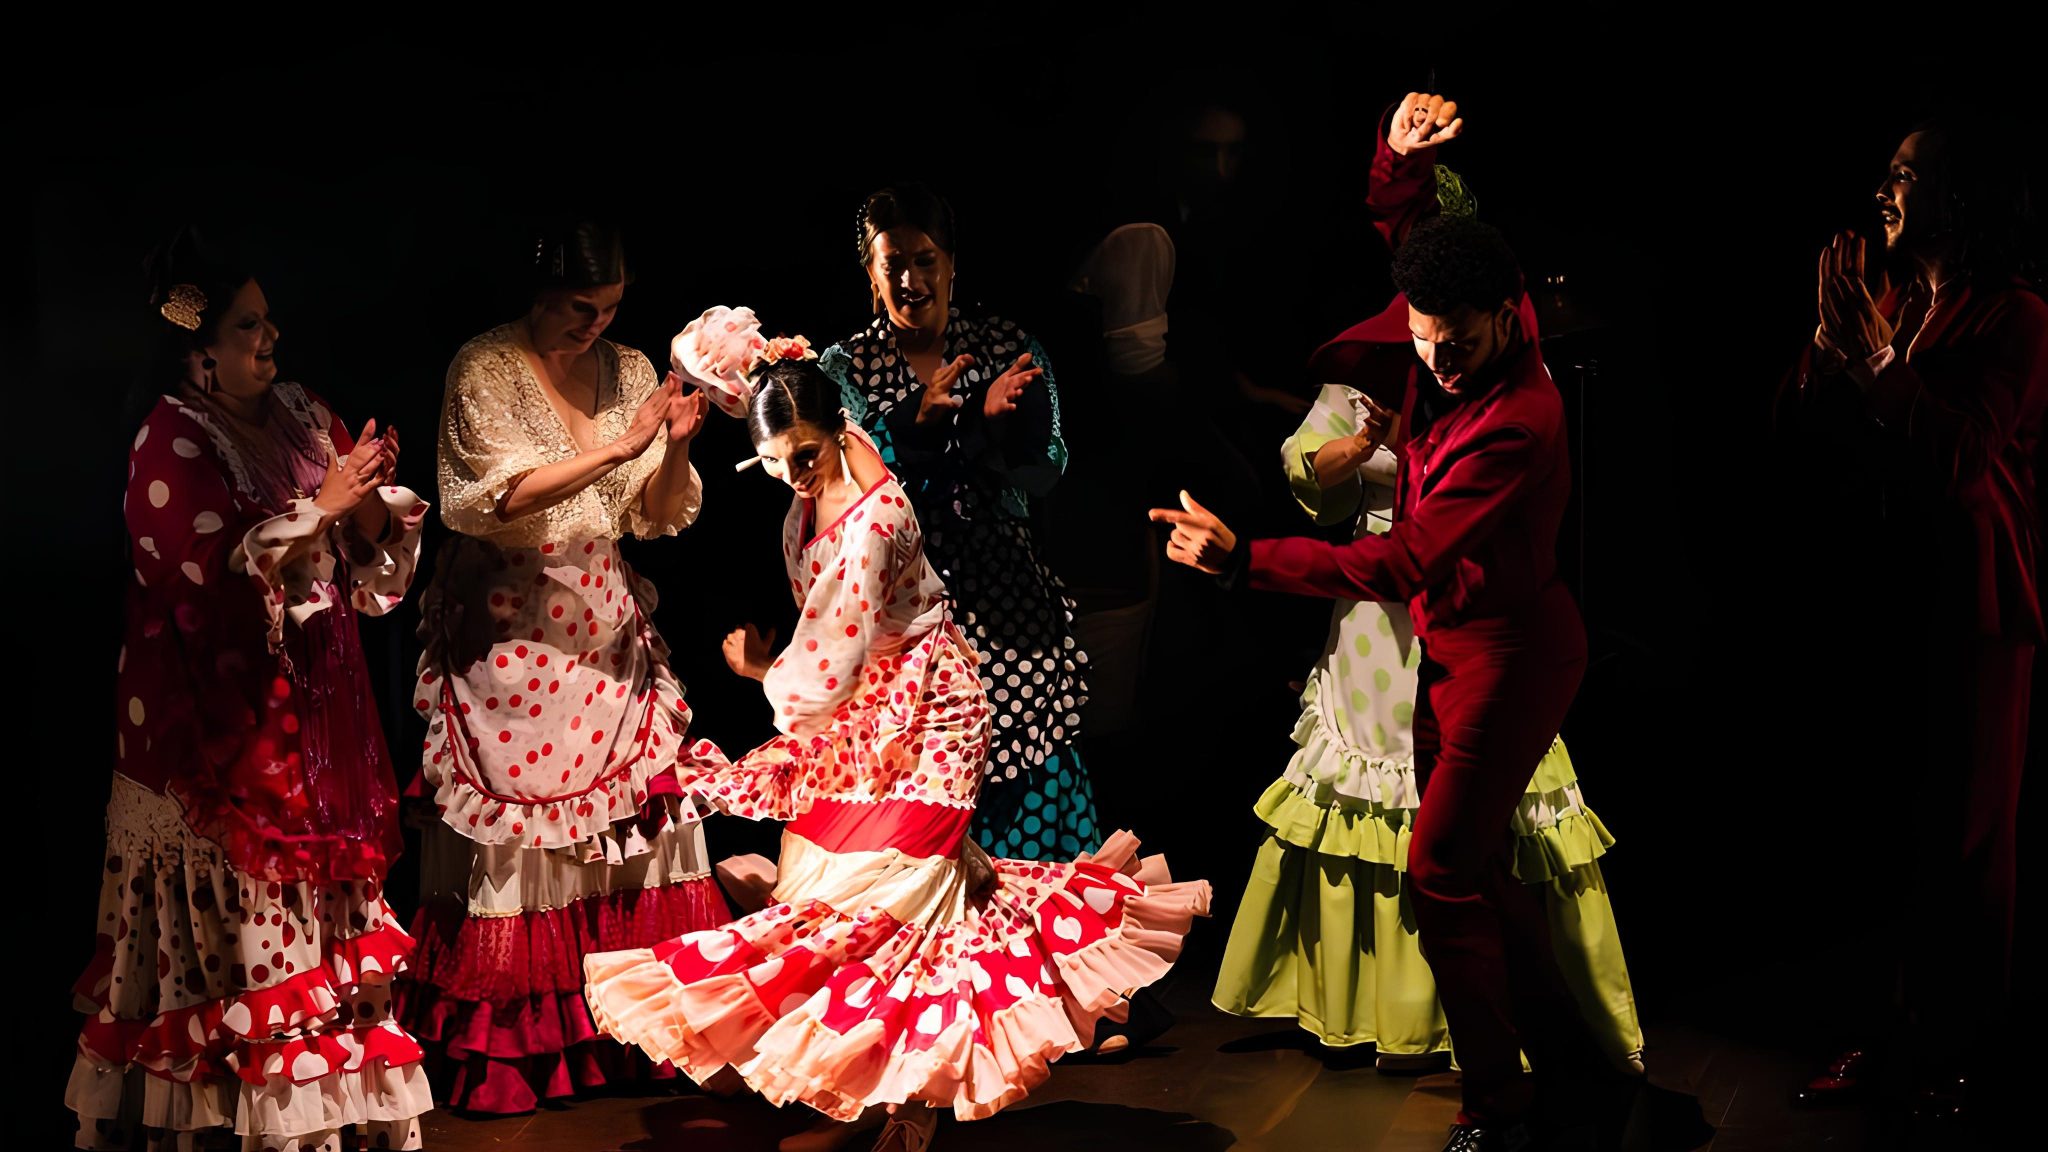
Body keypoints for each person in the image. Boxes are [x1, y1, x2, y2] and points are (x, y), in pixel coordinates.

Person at [584, 333, 1211, 1152]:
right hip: (872, 714)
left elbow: (828, 664)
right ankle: (884, 1084)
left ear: (836, 430)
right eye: (772, 462)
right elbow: (755, 376)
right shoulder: (830, 454)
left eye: (802, 456)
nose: (791, 475)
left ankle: (903, 1101)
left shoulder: (871, 524)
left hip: (929, 720)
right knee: (843, 886)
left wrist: (760, 669)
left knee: (886, 905)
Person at [1152, 93, 1632, 1151]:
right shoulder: (1456, 318)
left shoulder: (1516, 422)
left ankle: (1497, 1103)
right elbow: (1410, 229)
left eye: (1455, 345)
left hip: (1510, 656)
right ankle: (1572, 1067)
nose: (1436, 364)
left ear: (1507, 314)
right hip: (1445, 654)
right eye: (1422, 341)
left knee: (1440, 868)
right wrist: (1395, 155)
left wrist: (1246, 561)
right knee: (1476, 869)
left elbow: (1404, 559)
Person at [68, 228, 432, 1151]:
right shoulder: (171, 436)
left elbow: (361, 553)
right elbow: (199, 571)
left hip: (317, 703)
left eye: (269, 322)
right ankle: (238, 1110)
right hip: (217, 719)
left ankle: (323, 1105)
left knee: (320, 888)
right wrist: (323, 509)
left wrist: (364, 505)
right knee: (240, 908)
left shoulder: (304, 413)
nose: (270, 339)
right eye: (247, 326)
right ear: (197, 351)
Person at [1210, 372, 1644, 1077]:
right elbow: (1310, 476)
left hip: (1470, 608)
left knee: (1475, 817)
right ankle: (1382, 1012)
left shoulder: (1506, 395)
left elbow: (1456, 522)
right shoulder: (1361, 378)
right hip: (1371, 623)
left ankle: (1524, 1025)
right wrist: (1360, 446)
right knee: (1369, 805)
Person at [399, 220, 730, 1114]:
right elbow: (498, 497)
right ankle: (524, 1055)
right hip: (509, 632)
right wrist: (620, 447)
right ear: (540, 291)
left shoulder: (630, 370)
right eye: (583, 306)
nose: (597, 323)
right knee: (521, 840)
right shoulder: (485, 367)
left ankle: (635, 1037)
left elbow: (655, 513)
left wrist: (676, 444)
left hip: (602, 625)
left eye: (612, 307)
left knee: (630, 830)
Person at [1779, 116, 2043, 1129]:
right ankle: (1878, 1036)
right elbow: (1791, 431)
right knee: (1879, 825)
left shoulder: (2016, 316)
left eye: (1905, 175)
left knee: (1967, 841)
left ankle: (1956, 1054)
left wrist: (1880, 362)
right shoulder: (1886, 297)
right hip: (1885, 593)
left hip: (1975, 603)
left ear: (1959, 197)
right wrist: (1824, 345)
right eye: (1887, 173)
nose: (1883, 190)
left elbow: (1966, 459)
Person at [824, 185, 1099, 863]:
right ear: (870, 274)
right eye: (893, 264)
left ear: (952, 264)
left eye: (925, 260)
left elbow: (1049, 469)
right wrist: (924, 427)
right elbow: (849, 491)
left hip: (1009, 606)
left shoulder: (1007, 345)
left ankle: (1028, 912)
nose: (910, 280)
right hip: (906, 609)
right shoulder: (844, 368)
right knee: (926, 785)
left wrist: (1000, 432)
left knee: (1027, 781)